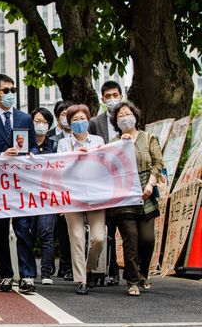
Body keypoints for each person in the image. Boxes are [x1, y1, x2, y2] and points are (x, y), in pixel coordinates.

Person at [0, 74, 37, 294]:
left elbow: (35, 147)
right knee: (0, 231)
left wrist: (32, 153)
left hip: (21, 183)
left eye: (13, 90)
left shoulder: (24, 119)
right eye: (6, 91)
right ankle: (5, 274)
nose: (10, 94)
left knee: (23, 229)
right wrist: (1, 154)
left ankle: (28, 275)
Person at [108, 101, 163, 296]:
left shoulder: (149, 138)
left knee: (147, 239)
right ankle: (131, 281)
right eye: (120, 116)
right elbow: (108, 168)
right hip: (124, 197)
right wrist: (121, 146)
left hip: (146, 193)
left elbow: (158, 163)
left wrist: (150, 184)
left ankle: (143, 273)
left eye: (127, 114)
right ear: (116, 121)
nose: (124, 118)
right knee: (130, 239)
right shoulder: (113, 143)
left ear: (135, 116)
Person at [57, 104, 106, 295]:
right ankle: (81, 280)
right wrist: (76, 157)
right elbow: (59, 168)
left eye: (82, 118)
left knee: (98, 238)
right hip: (72, 195)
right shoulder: (64, 144)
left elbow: (105, 164)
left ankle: (89, 266)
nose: (79, 123)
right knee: (77, 237)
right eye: (75, 120)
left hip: (96, 196)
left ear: (88, 119)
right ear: (69, 123)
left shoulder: (98, 140)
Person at [88, 81, 124, 286]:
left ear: (121, 95)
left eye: (115, 95)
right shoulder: (95, 122)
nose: (112, 99)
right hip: (102, 184)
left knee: (124, 229)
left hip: (122, 182)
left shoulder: (127, 120)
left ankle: (126, 271)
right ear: (102, 99)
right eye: (108, 96)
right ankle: (107, 270)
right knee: (105, 231)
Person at [30, 107, 58, 285]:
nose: (40, 125)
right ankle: (30, 271)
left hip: (48, 196)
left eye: (44, 122)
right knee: (28, 234)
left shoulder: (55, 146)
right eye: (37, 121)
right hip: (28, 196)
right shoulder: (23, 144)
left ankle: (46, 272)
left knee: (47, 233)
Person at [50, 100, 75, 281]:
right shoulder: (52, 138)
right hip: (58, 189)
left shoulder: (85, 136)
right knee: (61, 232)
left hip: (78, 190)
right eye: (62, 114)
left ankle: (75, 267)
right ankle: (64, 266)